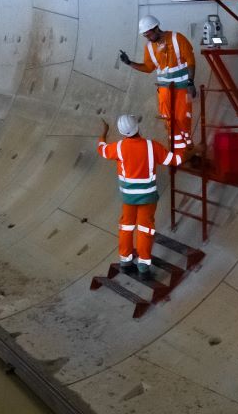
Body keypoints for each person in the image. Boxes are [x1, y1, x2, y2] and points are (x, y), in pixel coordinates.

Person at [97, 114, 185, 279]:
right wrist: (176, 134)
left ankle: (125, 262)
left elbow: (102, 149)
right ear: (137, 127)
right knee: (145, 229)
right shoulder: (152, 147)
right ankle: (143, 268)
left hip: (128, 199)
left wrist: (103, 134)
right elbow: (177, 159)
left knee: (126, 227)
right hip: (147, 198)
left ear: (123, 133)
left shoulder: (118, 147)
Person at [119, 15, 197, 152]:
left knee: (183, 118)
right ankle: (178, 151)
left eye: (148, 34)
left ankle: (187, 149)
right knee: (169, 121)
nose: (147, 38)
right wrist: (129, 63)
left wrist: (191, 82)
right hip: (165, 92)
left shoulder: (177, 38)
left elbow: (191, 61)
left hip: (184, 89)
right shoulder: (149, 47)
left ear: (155, 28)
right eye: (145, 36)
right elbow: (149, 68)